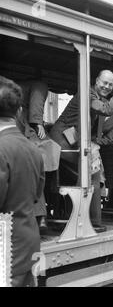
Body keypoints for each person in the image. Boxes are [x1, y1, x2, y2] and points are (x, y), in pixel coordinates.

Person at [49, 70, 113, 232]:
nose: (107, 87)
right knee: (93, 173)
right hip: (63, 143)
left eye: (110, 84)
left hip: (71, 142)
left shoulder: (96, 96)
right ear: (96, 81)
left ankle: (82, 218)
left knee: (94, 170)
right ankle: (91, 221)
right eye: (104, 83)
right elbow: (105, 109)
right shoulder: (88, 93)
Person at [0, 76, 45, 286]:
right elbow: (36, 195)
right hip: (28, 243)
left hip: (5, 250)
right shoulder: (33, 149)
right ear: (19, 112)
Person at [17, 80, 61, 232]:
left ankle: (41, 215)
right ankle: (42, 215)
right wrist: (37, 122)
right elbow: (38, 92)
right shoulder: (39, 85)